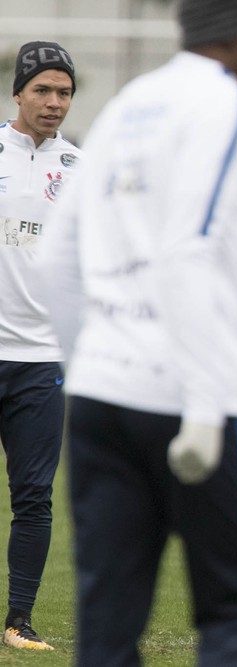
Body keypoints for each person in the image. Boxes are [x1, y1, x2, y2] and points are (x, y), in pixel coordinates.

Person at [39, 0, 237, 664]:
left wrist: (90, 363)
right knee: (233, 613)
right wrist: (206, 406)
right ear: (233, 37)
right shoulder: (226, 103)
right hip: (197, 402)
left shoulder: (128, 103)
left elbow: (56, 258)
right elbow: (187, 248)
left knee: (107, 631)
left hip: (100, 397)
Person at [0, 40, 80, 652]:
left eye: (64, 92)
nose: (54, 103)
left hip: (41, 361)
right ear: (18, 92)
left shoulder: (84, 170)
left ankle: (18, 621)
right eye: (43, 90)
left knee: (33, 495)